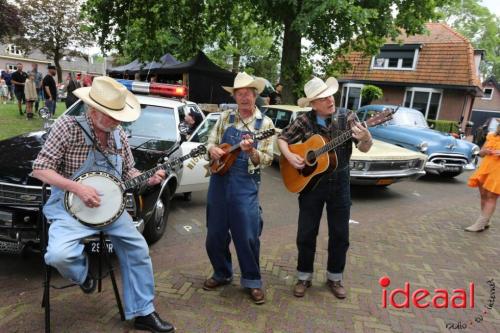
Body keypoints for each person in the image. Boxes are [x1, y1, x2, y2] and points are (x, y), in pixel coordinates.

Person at [31, 76, 175, 333]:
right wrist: (77, 188)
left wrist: (147, 178)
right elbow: (40, 169)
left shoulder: (118, 133)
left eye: (119, 115)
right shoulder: (67, 126)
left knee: (138, 249)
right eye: (111, 115)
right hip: (70, 210)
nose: (117, 121)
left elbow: (129, 171)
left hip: (111, 212)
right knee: (58, 255)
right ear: (93, 110)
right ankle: (83, 275)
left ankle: (144, 311)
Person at [277, 77, 373, 299]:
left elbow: (364, 148)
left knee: (340, 234)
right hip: (311, 185)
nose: (330, 100)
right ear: (313, 104)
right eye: (323, 98)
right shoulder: (304, 120)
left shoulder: (347, 117)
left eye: (330, 94)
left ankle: (335, 277)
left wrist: (366, 137)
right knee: (306, 232)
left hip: (340, 183)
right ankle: (303, 276)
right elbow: (282, 138)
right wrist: (290, 156)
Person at [204, 72, 274, 304]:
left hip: (246, 184)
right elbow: (211, 141)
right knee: (214, 234)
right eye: (240, 94)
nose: (244, 98)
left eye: (248, 94)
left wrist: (251, 151)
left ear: (255, 96)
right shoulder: (225, 117)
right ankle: (222, 273)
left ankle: (252, 280)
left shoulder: (264, 124)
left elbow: (267, 159)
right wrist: (212, 149)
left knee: (247, 235)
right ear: (235, 96)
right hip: (219, 182)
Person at [465, 123, 500, 232]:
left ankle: (480, 224)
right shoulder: (491, 136)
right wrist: (485, 151)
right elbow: (481, 153)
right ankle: (486, 220)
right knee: (484, 195)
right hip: (486, 168)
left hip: (498, 171)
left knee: (491, 196)